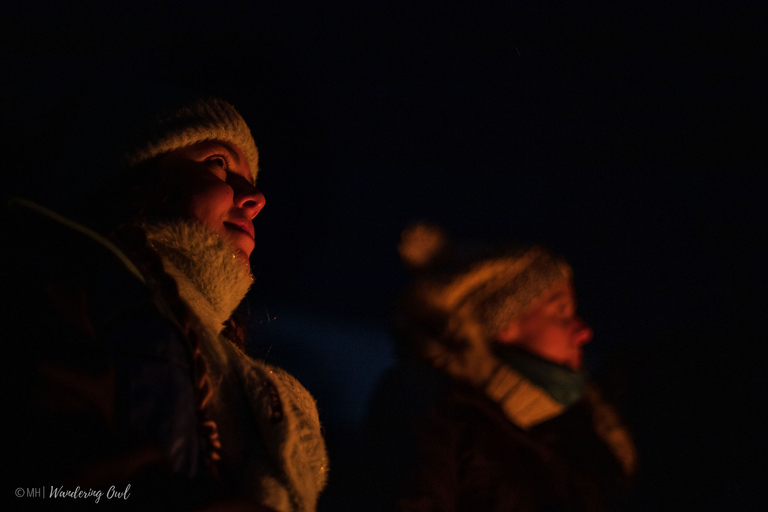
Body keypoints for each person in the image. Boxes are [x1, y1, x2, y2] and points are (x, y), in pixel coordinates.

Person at [5, 97, 328, 511]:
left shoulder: (209, 352)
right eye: (218, 163)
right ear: (136, 176)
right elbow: (54, 472)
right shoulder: (64, 285)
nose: (256, 197)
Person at [362, 223, 636, 511]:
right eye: (561, 312)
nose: (584, 332)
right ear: (504, 325)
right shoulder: (433, 408)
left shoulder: (586, 429)